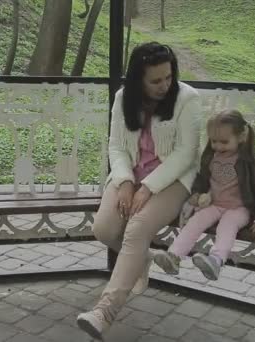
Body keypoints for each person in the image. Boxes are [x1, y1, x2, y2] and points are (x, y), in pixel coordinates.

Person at [76, 42, 202, 339]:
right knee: (104, 230)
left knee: (136, 229)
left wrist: (147, 187)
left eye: (168, 77)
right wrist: (124, 182)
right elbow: (117, 146)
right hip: (130, 176)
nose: (164, 85)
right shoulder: (123, 98)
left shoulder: (187, 99)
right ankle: (142, 259)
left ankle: (104, 311)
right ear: (138, 80)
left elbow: (186, 153)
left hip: (172, 180)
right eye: (155, 80)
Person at [153, 109, 255, 281]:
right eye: (214, 141)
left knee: (227, 226)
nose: (218, 146)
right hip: (215, 204)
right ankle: (174, 256)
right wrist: (196, 193)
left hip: (239, 209)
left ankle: (216, 260)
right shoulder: (210, 156)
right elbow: (203, 179)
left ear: (241, 137)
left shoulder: (250, 161)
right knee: (195, 222)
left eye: (224, 142)